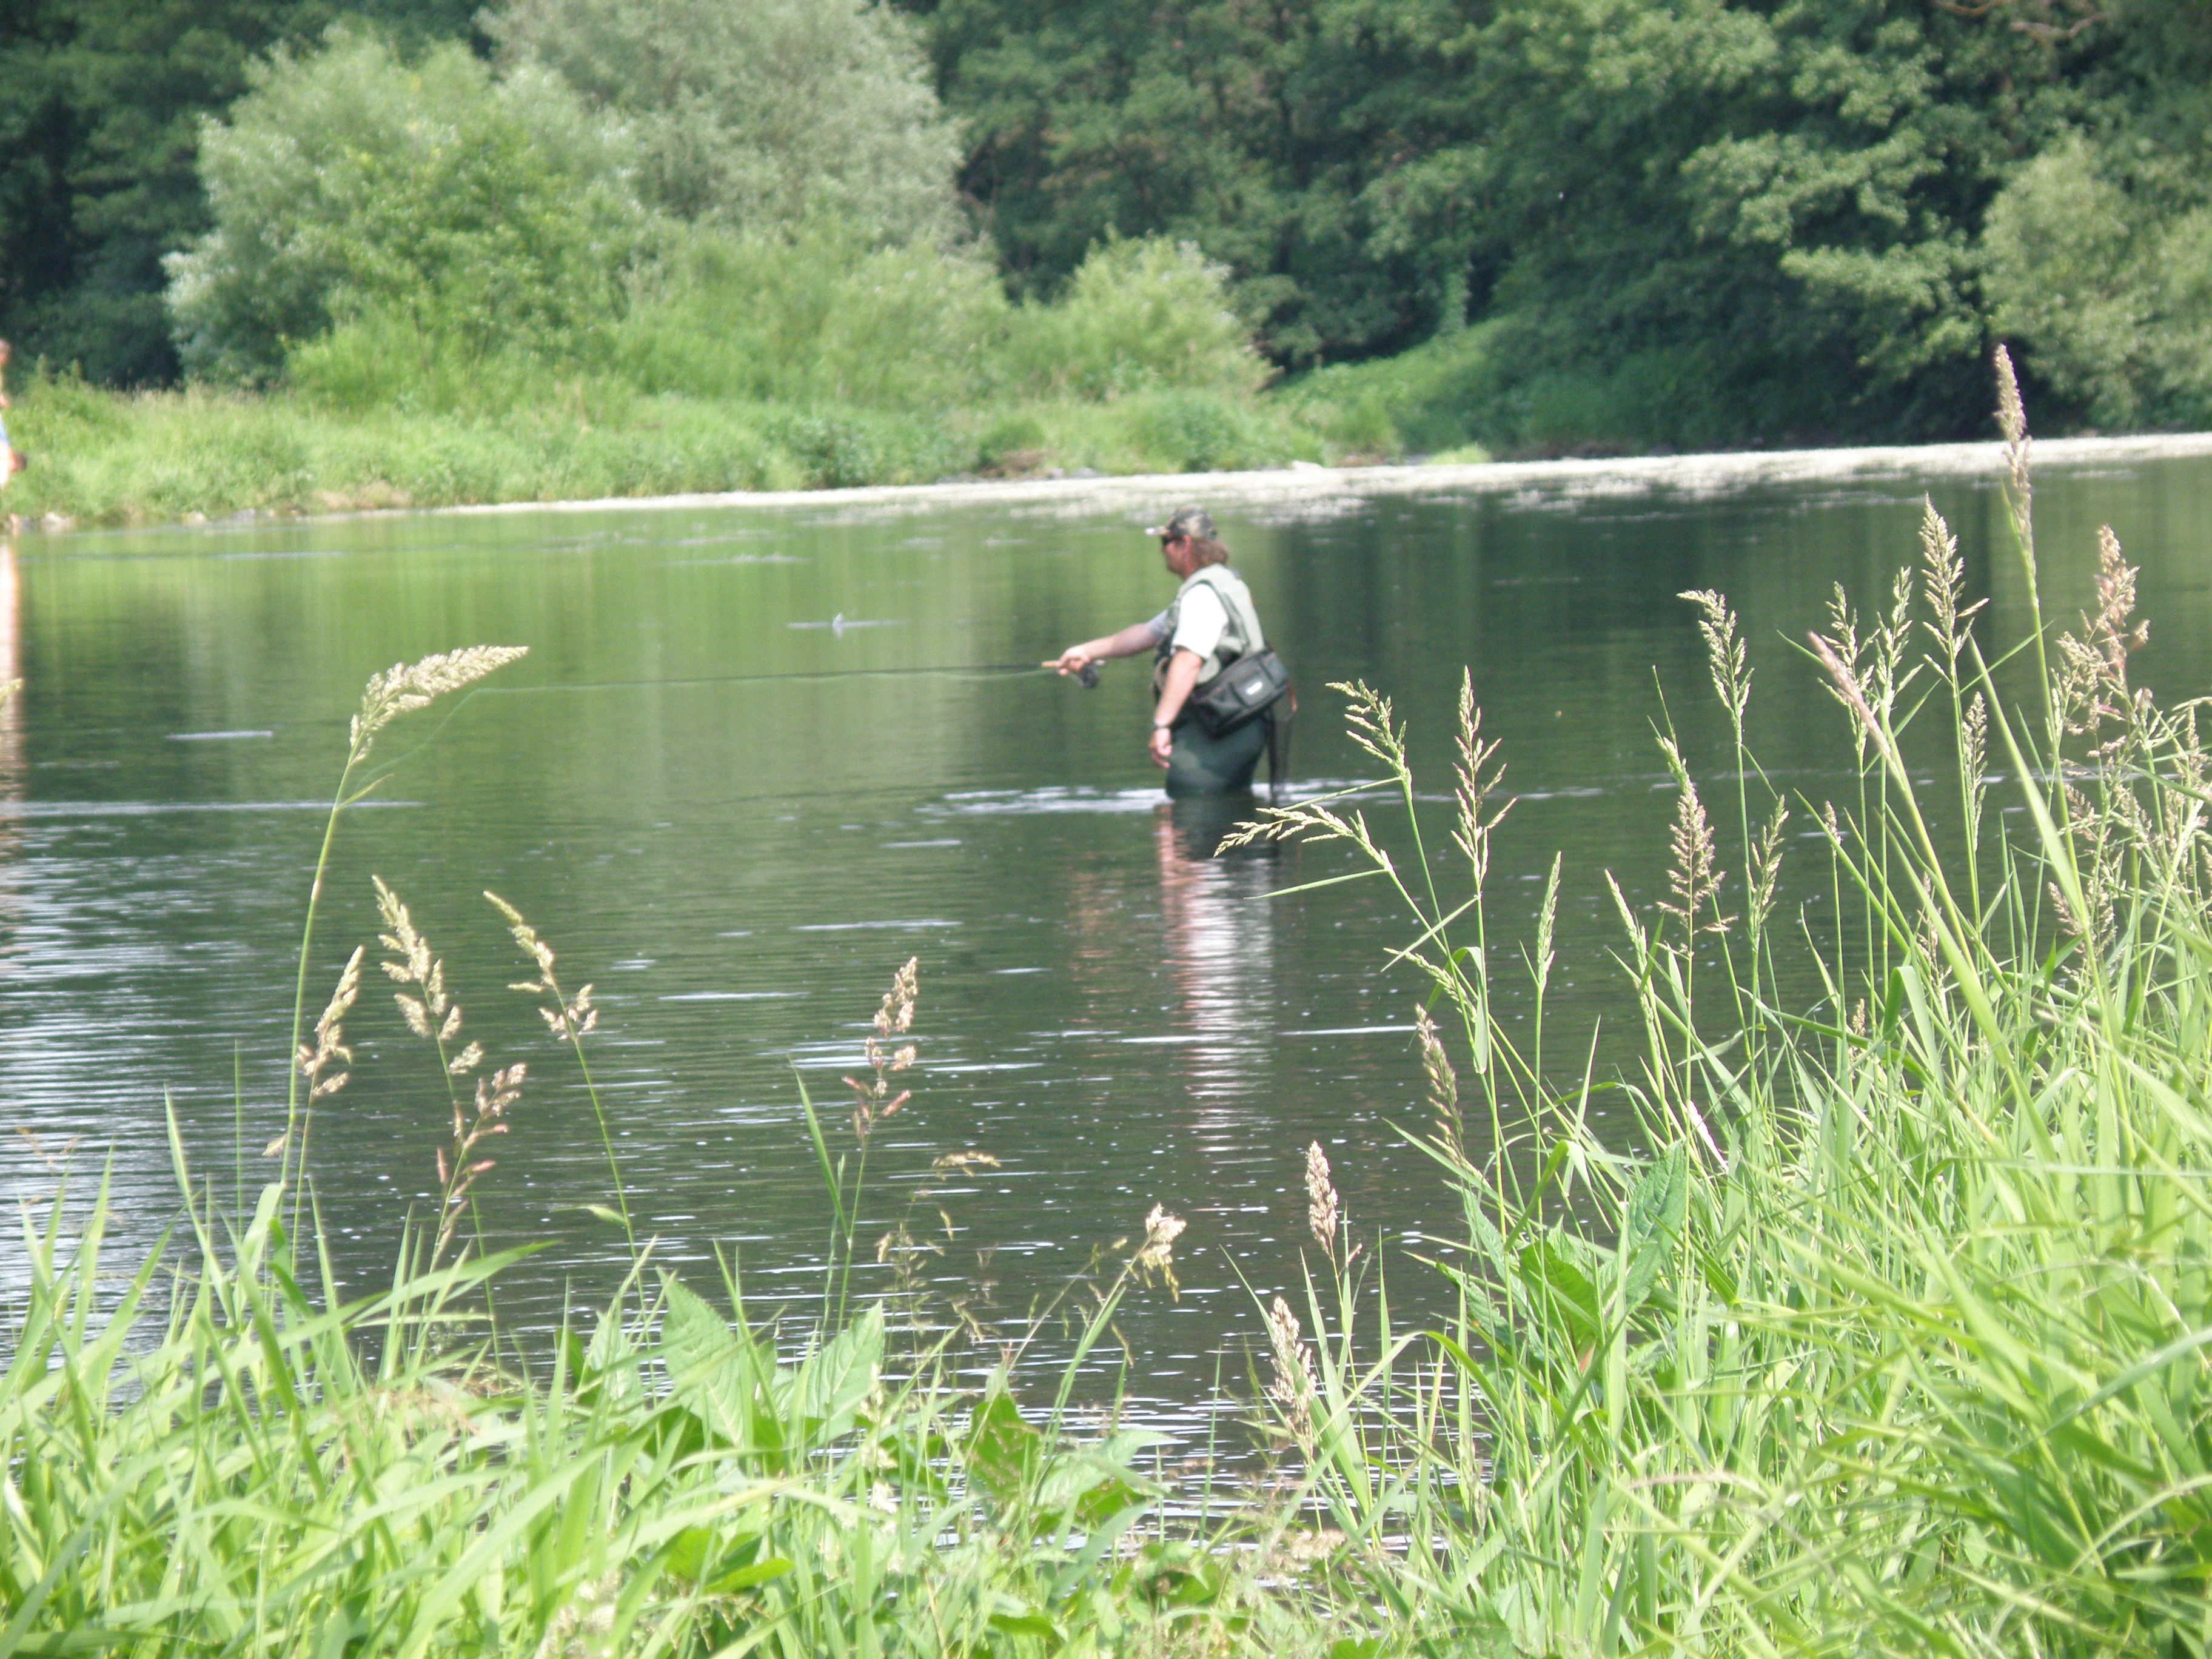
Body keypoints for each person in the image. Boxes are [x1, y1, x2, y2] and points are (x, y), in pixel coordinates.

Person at [1047, 506, 1283, 797]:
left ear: (1184, 545)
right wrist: (1085, 651)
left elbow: (1187, 662)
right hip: (1241, 722)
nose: (1162, 552)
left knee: (1189, 809)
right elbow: (1147, 633)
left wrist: (1161, 725)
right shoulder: (1224, 582)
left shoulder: (1202, 596)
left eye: (1165, 542)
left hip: (1222, 732)